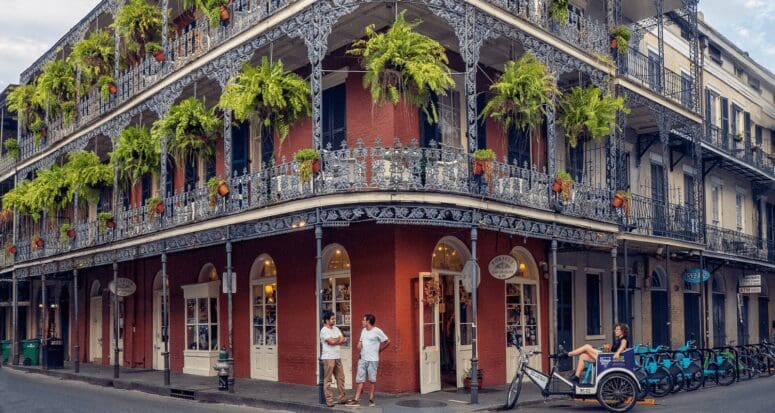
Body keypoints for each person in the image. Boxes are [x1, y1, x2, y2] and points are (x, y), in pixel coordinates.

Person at [346, 314, 390, 407]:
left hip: (373, 360)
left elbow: (387, 341)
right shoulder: (363, 331)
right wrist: (359, 345)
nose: (362, 321)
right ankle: (356, 399)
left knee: (372, 380)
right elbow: (360, 342)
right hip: (362, 358)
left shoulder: (377, 331)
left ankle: (371, 399)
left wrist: (380, 350)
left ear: (368, 322)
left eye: (364, 320)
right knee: (360, 379)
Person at [563, 323, 629, 383]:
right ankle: (577, 377)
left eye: (617, 329)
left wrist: (617, 353)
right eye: (615, 329)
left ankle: (568, 354)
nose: (615, 331)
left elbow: (623, 346)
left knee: (587, 347)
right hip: (607, 358)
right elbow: (615, 349)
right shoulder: (618, 340)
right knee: (583, 356)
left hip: (608, 359)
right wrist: (608, 347)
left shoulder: (624, 340)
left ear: (622, 331)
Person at [320, 310, 348, 407]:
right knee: (328, 380)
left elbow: (342, 339)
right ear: (327, 320)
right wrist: (337, 340)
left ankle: (342, 398)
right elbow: (331, 342)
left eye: (334, 318)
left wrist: (334, 340)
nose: (334, 320)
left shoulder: (336, 328)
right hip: (328, 357)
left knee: (341, 378)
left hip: (337, 356)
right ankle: (329, 400)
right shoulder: (324, 330)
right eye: (332, 319)